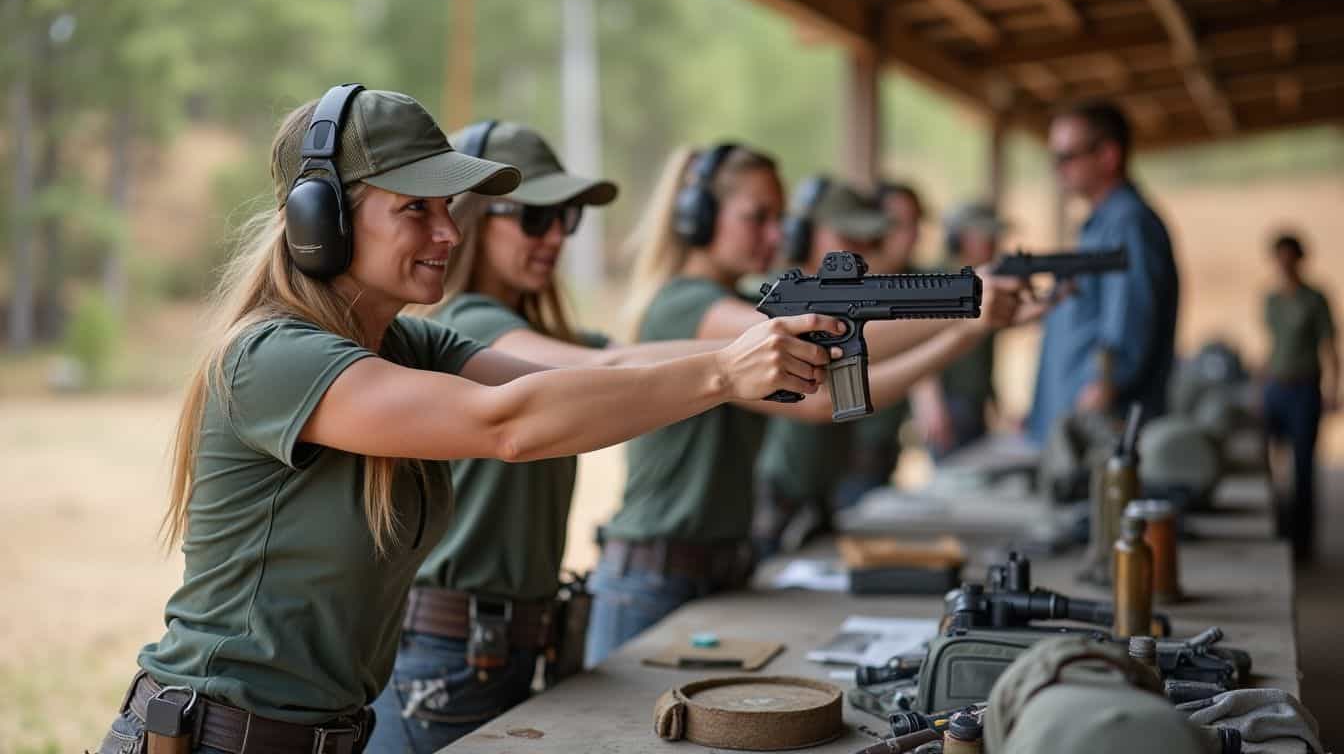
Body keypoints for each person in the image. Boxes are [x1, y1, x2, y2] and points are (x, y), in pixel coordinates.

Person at [89, 89, 840, 754]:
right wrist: (721, 370)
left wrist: (745, 350)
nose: (448, 230)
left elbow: (593, 375)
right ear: (322, 219)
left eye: (448, 206)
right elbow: (504, 425)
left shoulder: (407, 344)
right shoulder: (273, 356)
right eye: (416, 207)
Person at [368, 121, 744, 752]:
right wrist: (738, 360)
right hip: (449, 651)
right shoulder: (468, 322)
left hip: (498, 645)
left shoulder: (538, 336)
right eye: (533, 218)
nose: (554, 237)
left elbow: (630, 362)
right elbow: (609, 373)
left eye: (565, 218)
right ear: (473, 218)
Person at [585, 143, 1035, 665]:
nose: (776, 235)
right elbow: (822, 385)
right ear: (700, 219)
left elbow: (829, 378)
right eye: (757, 218)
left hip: (712, 568)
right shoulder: (686, 305)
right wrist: (967, 307)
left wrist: (965, 325)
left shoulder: (741, 297)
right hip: (652, 578)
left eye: (780, 219)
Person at [1026, 100, 1180, 444]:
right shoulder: (1101, 225)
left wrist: (1092, 404)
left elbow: (1126, 330)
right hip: (1081, 428)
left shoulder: (1127, 225)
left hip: (1101, 432)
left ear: (1108, 156)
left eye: (1065, 157)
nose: (1057, 170)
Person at [752, 176, 891, 555]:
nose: (860, 252)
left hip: (823, 495)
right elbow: (819, 403)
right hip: (778, 498)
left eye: (867, 242)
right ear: (802, 235)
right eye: (848, 239)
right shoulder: (775, 298)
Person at [832, 181, 925, 509]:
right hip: (846, 462)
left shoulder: (907, 278)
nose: (908, 234)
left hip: (885, 447)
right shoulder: (846, 287)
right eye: (896, 224)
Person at [1262, 232, 1339, 562]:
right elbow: (1273, 344)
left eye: (1288, 256)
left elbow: (1329, 346)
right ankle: (1279, 530)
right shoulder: (1272, 300)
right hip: (1276, 387)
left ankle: (1303, 544)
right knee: (1271, 465)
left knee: (1304, 467)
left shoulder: (1314, 299)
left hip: (1304, 388)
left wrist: (1333, 389)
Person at [911, 201, 1007, 460]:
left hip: (974, 404)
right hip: (948, 404)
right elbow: (916, 343)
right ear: (960, 237)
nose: (993, 243)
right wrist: (929, 400)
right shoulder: (937, 280)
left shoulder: (982, 285)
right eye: (985, 235)